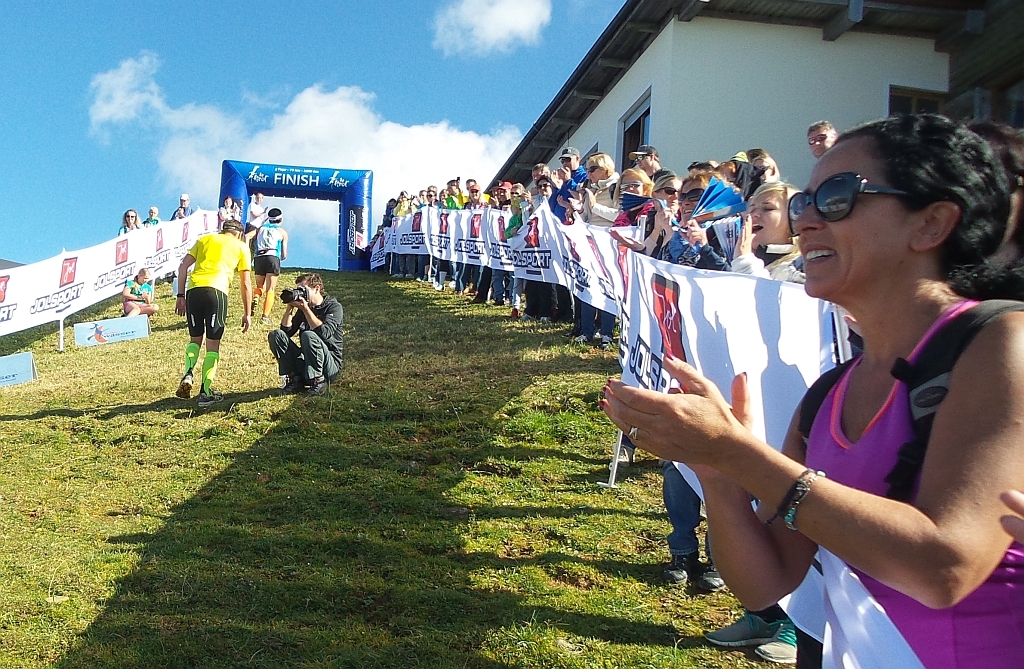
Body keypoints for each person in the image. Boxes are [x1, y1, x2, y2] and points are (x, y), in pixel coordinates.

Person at [602, 114, 1024, 668]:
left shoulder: (1002, 343)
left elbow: (945, 569)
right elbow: (767, 581)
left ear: (931, 224)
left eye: (839, 197)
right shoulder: (830, 393)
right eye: (804, 204)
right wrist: (718, 476)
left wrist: (738, 452)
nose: (807, 224)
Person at [174, 218, 252, 407]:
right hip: (217, 291)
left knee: (195, 340)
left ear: (222, 230)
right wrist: (247, 312)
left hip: (194, 291)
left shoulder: (205, 239)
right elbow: (246, 283)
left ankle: (188, 373)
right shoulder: (242, 247)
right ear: (240, 234)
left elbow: (183, 266)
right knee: (212, 345)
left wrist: (180, 295)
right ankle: (206, 392)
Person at [268, 273, 344, 397]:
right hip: (307, 362)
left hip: (330, 366)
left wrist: (306, 309)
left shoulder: (333, 307)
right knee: (276, 335)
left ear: (317, 288)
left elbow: (325, 333)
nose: (300, 294)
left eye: (303, 290)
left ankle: (318, 381)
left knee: (309, 335)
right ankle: (295, 379)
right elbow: (287, 332)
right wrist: (290, 308)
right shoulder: (303, 310)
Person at [252, 207, 288, 325]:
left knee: (259, 285)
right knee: (270, 289)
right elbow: (284, 254)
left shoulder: (260, 229)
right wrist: (281, 257)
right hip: (272, 256)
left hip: (259, 257)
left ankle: (256, 296)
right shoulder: (282, 232)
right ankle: (265, 316)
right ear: (280, 219)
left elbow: (250, 237)